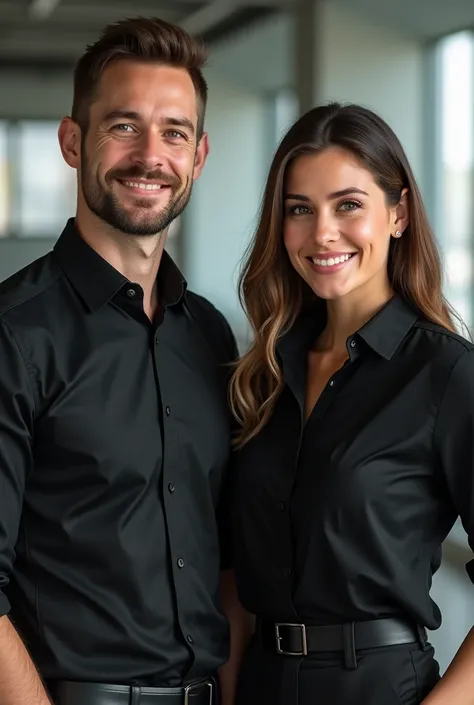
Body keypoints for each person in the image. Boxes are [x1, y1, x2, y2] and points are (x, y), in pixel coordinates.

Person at [0, 16, 243, 705]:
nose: (150, 155)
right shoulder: (14, 334)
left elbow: (224, 554)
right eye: (123, 126)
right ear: (73, 141)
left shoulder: (210, 337)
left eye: (174, 132)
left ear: (198, 157)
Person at [229, 102, 474, 705]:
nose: (322, 234)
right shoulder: (260, 375)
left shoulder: (446, 372)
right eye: (300, 210)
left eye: (348, 205)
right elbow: (234, 571)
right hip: (261, 682)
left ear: (398, 214)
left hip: (378, 688)